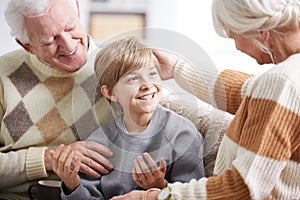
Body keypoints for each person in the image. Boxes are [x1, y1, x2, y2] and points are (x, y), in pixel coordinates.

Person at [111, 0, 300, 199]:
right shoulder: (288, 78)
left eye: (232, 34)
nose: (236, 46)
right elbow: (249, 93)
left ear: (260, 30)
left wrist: (152, 197)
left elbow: (243, 188)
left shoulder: (284, 80)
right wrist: (178, 68)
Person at [51, 37, 205, 200]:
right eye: (133, 78)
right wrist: (72, 184)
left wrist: (159, 188)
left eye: (152, 73)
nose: (147, 84)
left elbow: (196, 194)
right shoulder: (100, 141)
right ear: (110, 93)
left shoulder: (183, 134)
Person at [0, 0, 116, 199]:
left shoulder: (118, 66)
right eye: (49, 40)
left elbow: (174, 119)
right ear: (27, 46)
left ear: (78, 10)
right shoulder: (4, 73)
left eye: (70, 27)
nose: (69, 45)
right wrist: (51, 159)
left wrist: (176, 69)